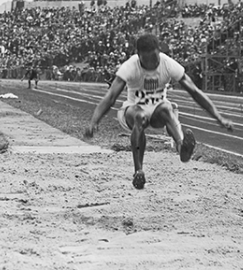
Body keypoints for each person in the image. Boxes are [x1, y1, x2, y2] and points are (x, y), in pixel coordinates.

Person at [88, 33, 234, 190]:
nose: (151, 64)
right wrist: (94, 122)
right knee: (140, 116)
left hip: (157, 111)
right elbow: (110, 97)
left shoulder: (167, 63)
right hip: (132, 110)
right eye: (147, 60)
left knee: (167, 108)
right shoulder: (130, 66)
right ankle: (139, 171)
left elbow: (194, 92)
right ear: (138, 56)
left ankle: (181, 148)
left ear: (159, 51)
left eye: (154, 59)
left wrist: (218, 117)